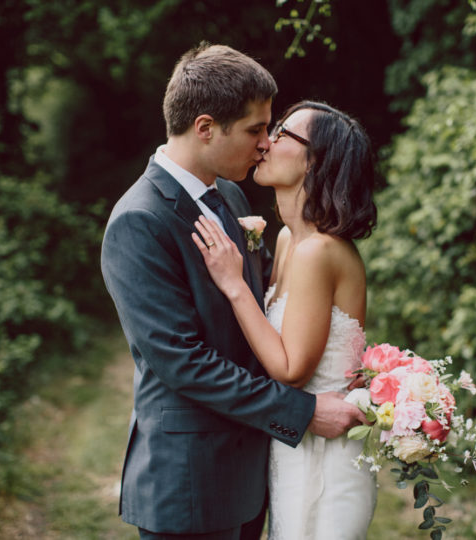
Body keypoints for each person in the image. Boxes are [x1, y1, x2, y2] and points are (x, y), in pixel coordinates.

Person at [100, 44, 366, 540]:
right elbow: (184, 362)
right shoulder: (139, 221)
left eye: (271, 129)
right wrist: (303, 413)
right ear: (205, 128)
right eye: (255, 130)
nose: (265, 143)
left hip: (254, 472)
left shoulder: (232, 195)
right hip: (190, 482)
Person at [192, 100, 379, 539]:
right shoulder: (290, 239)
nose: (265, 142)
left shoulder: (320, 251)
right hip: (292, 446)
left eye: (282, 133)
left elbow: (292, 370)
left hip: (324, 459)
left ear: (317, 162)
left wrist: (235, 284)